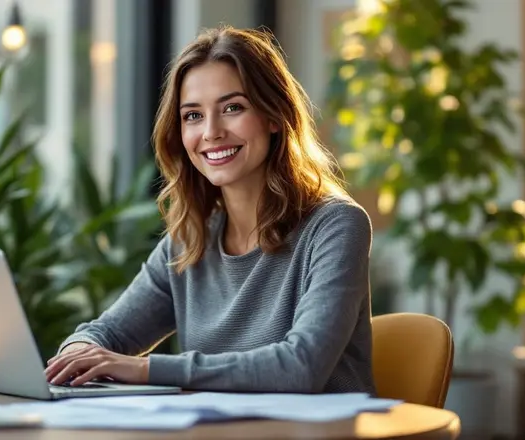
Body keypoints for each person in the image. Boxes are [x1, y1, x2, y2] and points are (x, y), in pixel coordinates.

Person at [44, 26, 376, 395]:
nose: (211, 132)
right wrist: (77, 354)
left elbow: (301, 367)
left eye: (233, 108)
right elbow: (107, 334)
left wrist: (145, 369)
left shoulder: (336, 225)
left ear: (274, 116)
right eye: (193, 116)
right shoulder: (190, 239)